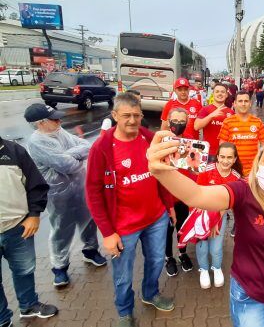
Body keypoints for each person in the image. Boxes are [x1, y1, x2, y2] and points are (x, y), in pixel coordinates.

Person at [147, 134, 264, 327]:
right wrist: (161, 172)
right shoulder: (243, 191)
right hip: (250, 298)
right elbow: (197, 194)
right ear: (258, 163)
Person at [86, 93, 175, 327]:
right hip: (123, 227)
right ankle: (125, 311)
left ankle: (150, 293)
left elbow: (162, 174)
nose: (132, 120)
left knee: (156, 261)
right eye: (126, 115)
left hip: (156, 218)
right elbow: (93, 193)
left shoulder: (150, 138)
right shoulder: (102, 148)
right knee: (123, 275)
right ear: (115, 116)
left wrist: (169, 206)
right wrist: (107, 232)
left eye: (137, 115)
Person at [24, 104, 106, 287]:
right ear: (40, 123)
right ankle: (60, 268)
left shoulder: (60, 132)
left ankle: (91, 251)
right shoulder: (36, 142)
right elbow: (67, 165)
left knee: (89, 220)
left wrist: (68, 155)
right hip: (57, 193)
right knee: (62, 228)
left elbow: (88, 146)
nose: (59, 120)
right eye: (54, 119)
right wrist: (72, 158)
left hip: (80, 186)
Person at [0, 136, 59, 325]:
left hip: (17, 227)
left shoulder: (14, 151)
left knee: (24, 270)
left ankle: (28, 305)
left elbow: (36, 185)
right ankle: (2, 319)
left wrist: (34, 214)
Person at [195, 142, 242, 289]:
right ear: (217, 157)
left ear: (235, 159)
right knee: (202, 246)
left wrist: (216, 221)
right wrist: (204, 222)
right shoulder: (206, 170)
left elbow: (228, 203)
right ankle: (203, 269)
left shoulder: (235, 177)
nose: (225, 161)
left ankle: (216, 267)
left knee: (216, 248)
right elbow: (197, 195)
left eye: (229, 157)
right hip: (200, 214)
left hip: (219, 217)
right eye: (222, 156)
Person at [163, 108, 197, 277]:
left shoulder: (190, 140)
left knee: (182, 227)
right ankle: (168, 257)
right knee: (168, 229)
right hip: (166, 195)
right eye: (175, 120)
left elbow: (195, 168)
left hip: (184, 193)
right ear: (168, 121)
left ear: (187, 122)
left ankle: (182, 253)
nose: (178, 124)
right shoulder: (162, 141)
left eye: (182, 121)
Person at [218, 91, 264, 177]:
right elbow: (222, 146)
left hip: (252, 171)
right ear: (235, 104)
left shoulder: (257, 122)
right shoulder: (228, 122)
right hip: (232, 170)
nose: (243, 104)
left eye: (246, 101)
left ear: (250, 103)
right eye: (240, 101)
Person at [195, 83, 235, 161]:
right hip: (208, 152)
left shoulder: (231, 112)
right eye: (217, 91)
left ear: (226, 95)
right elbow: (196, 126)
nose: (220, 94)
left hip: (225, 154)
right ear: (213, 94)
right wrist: (211, 116)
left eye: (222, 92)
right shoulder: (205, 109)